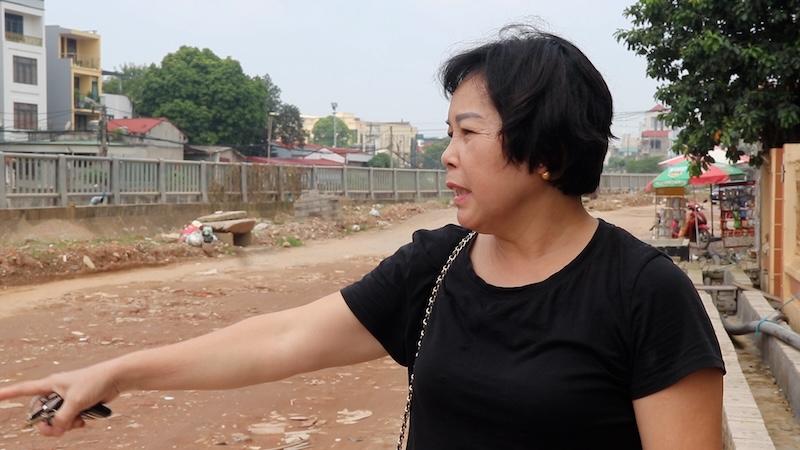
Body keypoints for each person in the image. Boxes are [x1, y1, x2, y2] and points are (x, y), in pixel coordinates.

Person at [0, 25, 724, 449]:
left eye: (468, 133)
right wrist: (115, 373)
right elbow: (281, 338)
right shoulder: (437, 265)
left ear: (549, 154)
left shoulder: (643, 294)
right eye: (447, 133)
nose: (447, 156)